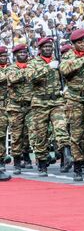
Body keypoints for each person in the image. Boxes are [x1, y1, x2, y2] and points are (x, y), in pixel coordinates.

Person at [25, 37, 70, 177]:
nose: (48, 49)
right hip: (40, 103)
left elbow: (68, 77)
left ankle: (67, 155)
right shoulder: (34, 63)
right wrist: (47, 68)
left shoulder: (58, 61)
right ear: (40, 49)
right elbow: (30, 77)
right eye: (45, 47)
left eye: (50, 47)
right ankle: (42, 163)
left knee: (61, 127)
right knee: (41, 135)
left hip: (57, 101)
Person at [60, 29, 84, 181]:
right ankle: (78, 165)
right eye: (80, 42)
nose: (83, 44)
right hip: (74, 99)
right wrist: (83, 60)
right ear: (74, 44)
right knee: (77, 134)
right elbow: (64, 70)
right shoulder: (68, 56)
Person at [5, 44, 32, 176]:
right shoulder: (11, 68)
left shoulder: (31, 66)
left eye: (24, 53)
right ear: (15, 55)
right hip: (15, 106)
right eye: (20, 53)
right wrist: (27, 71)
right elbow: (12, 78)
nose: (23, 55)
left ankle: (28, 157)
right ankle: (16, 161)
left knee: (30, 133)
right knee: (17, 135)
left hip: (30, 105)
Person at [0, 46, 11, 181]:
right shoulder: (7, 70)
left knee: (1, 135)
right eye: (1, 56)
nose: (3, 58)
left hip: (6, 106)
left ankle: (1, 163)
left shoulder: (8, 68)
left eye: (4, 56)